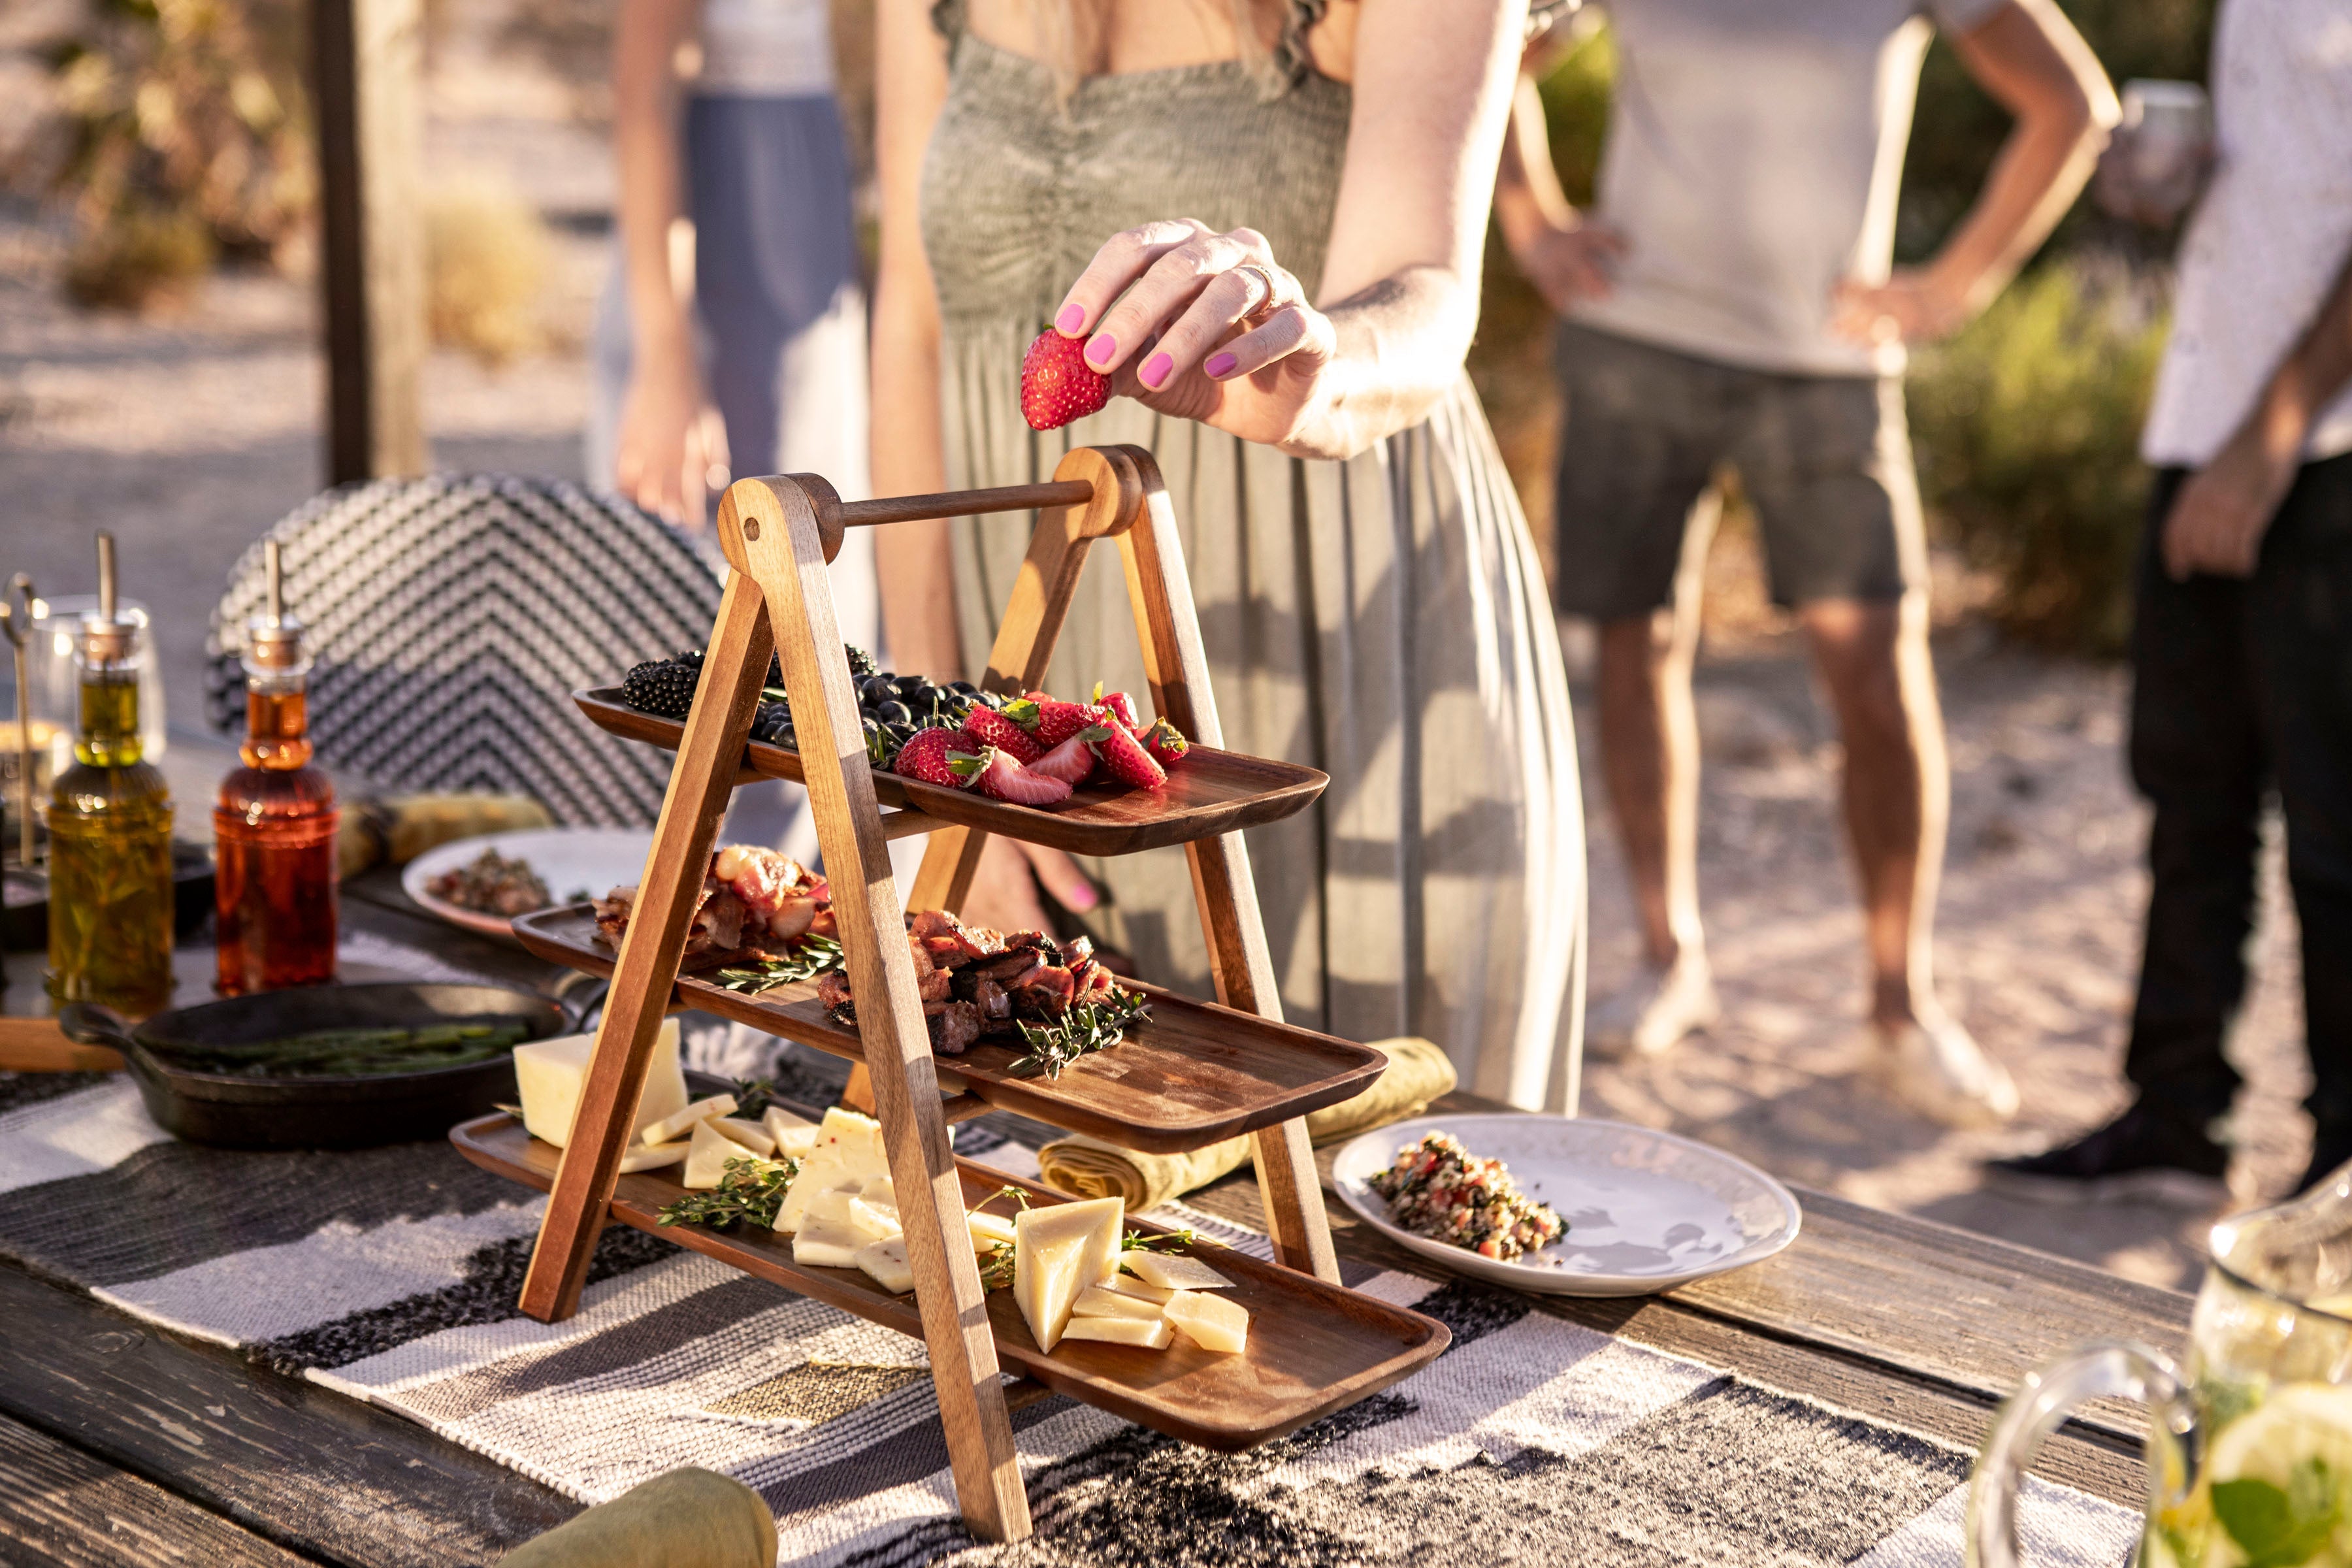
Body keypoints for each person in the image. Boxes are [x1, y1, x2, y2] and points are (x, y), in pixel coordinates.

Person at [869, 0, 1587, 1109]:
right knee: (1074, 1218)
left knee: (1367, 1209)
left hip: (1347, 663)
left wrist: (1317, 366)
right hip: (1039, 684)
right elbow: (908, 325)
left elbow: (1429, 295)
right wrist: (943, 748)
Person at [1495, 0, 2114, 1126]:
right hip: (1634, 345)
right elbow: (1488, 56)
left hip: (1825, 373)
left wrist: (1953, 284)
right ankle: (1666, 955)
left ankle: (1900, 1005)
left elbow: (2072, 106)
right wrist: (1532, 221)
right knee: (1637, 648)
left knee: (1878, 678)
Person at [1995, 0, 2352, 1201]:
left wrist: (2272, 440)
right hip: (2205, 423)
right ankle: (2177, 1114)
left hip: (2320, 455)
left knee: (2337, 820)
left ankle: (2346, 1161)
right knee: (2191, 784)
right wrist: (2180, 187)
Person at [588, 0, 879, 860]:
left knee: (814, 610)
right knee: (707, 616)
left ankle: (777, 918)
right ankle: (678, 942)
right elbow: (641, 95)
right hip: (720, 235)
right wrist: (669, 354)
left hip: (806, 220)